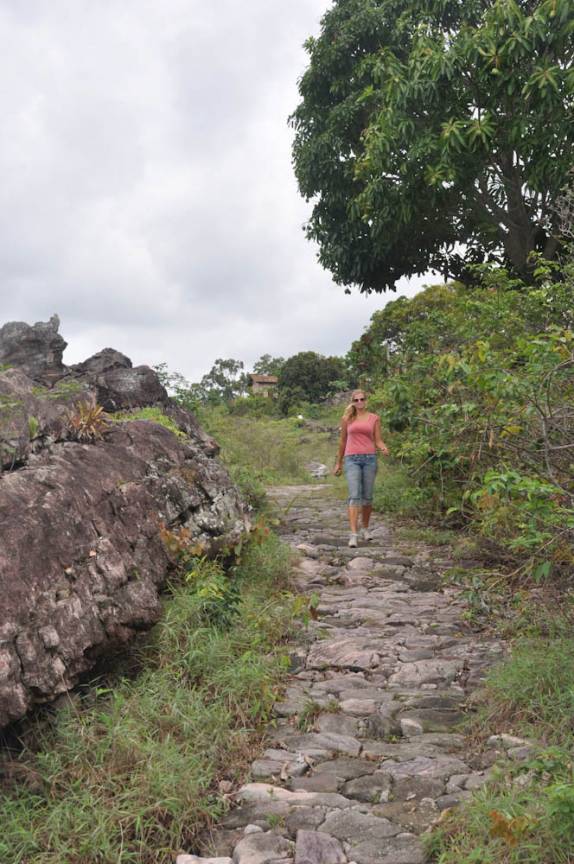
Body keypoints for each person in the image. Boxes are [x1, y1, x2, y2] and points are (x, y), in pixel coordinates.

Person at [333, 390, 389, 547]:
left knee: (367, 497)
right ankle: (353, 534)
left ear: (366, 401)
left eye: (362, 399)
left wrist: (383, 447)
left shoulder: (374, 418)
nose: (359, 402)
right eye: (356, 400)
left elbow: (378, 440)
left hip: (370, 459)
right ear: (352, 402)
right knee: (354, 496)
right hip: (351, 459)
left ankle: (365, 528)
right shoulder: (347, 419)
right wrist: (339, 462)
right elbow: (342, 441)